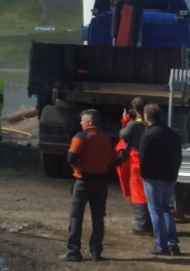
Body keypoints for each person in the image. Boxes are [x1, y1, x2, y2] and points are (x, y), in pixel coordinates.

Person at [59, 108, 117, 263]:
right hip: (101, 183)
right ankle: (96, 252)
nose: (80, 122)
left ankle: (73, 251)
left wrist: (77, 166)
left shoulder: (81, 137)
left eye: (83, 120)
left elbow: (71, 157)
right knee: (98, 218)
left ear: (90, 122)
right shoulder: (106, 139)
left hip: (83, 182)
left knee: (76, 217)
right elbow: (113, 160)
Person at [139, 103, 182, 256]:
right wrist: (174, 172)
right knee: (165, 210)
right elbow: (178, 155)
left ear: (146, 116)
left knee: (155, 210)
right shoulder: (172, 134)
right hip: (169, 176)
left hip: (153, 177)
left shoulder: (148, 134)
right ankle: (173, 244)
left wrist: (144, 174)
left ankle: (161, 245)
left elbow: (143, 157)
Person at [118, 96, 152, 234]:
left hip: (136, 160)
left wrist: (125, 121)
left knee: (137, 191)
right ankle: (148, 221)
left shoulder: (135, 124)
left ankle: (142, 224)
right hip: (147, 159)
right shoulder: (149, 122)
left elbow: (122, 135)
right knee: (147, 190)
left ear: (133, 109)